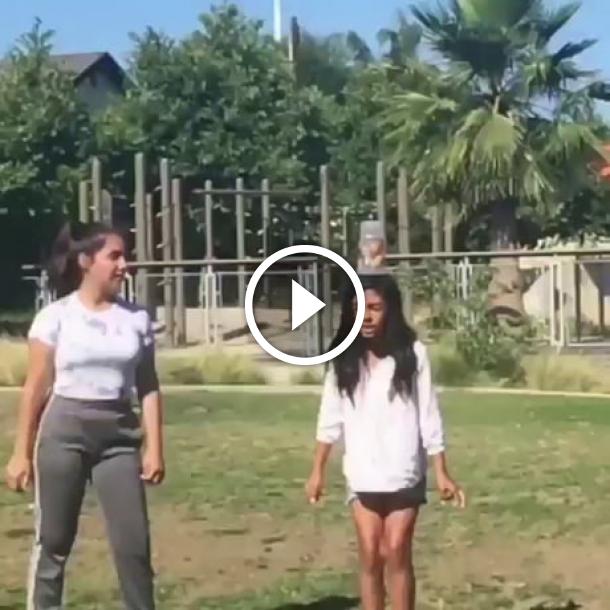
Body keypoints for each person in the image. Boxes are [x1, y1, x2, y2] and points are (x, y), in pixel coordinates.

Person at [4, 221, 165, 610]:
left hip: (119, 438)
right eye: (115, 256)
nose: (124, 265)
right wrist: (20, 452)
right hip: (64, 432)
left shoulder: (136, 318)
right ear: (86, 261)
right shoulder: (55, 317)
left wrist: (155, 448)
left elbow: (148, 385)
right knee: (54, 541)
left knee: (133, 545)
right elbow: (36, 388)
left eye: (125, 256)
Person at [305, 273, 465, 610]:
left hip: (404, 470)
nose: (366, 317)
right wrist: (317, 471)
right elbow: (329, 417)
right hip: (362, 473)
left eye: (375, 308)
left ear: (390, 310)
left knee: (396, 550)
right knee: (370, 553)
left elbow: (429, 414)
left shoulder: (413, 355)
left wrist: (442, 472)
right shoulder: (343, 360)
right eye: (359, 308)